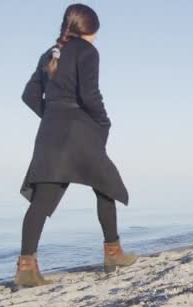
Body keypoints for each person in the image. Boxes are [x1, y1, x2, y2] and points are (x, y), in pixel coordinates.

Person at [16, 3, 137, 287]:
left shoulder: (50, 53)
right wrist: (103, 123)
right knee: (107, 186)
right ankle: (113, 253)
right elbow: (90, 94)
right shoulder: (87, 51)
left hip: (51, 133)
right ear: (89, 28)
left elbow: (29, 94)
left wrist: (52, 115)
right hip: (80, 131)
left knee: (41, 201)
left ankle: (26, 270)